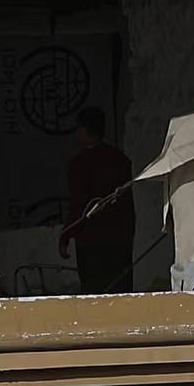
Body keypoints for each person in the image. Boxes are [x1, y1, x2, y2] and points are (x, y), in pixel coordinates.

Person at [57, 107, 136, 293]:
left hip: (92, 242)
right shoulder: (121, 159)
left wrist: (66, 235)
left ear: (83, 130)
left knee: (95, 296)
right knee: (120, 292)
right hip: (120, 240)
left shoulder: (80, 164)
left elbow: (79, 206)